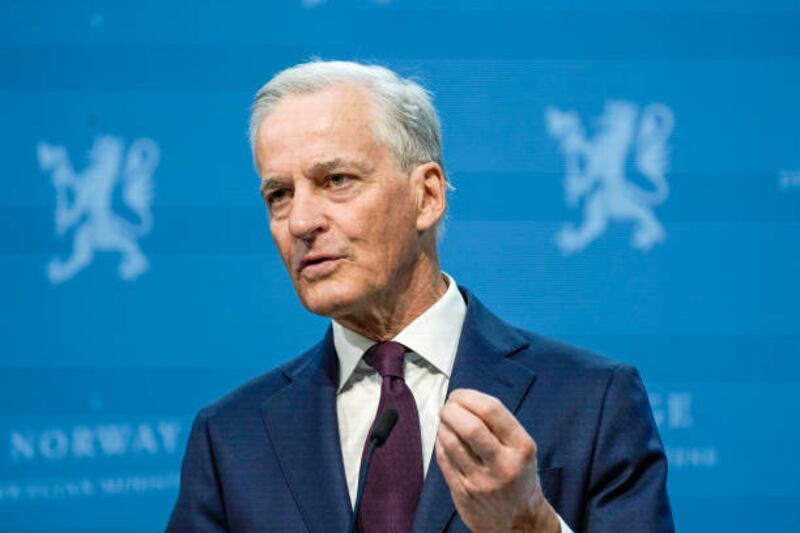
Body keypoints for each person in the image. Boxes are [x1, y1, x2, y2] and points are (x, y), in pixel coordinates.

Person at [166, 60, 674, 532]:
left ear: (426, 196)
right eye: (279, 195)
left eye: (335, 180)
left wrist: (530, 525)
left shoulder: (591, 401)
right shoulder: (231, 438)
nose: (301, 222)